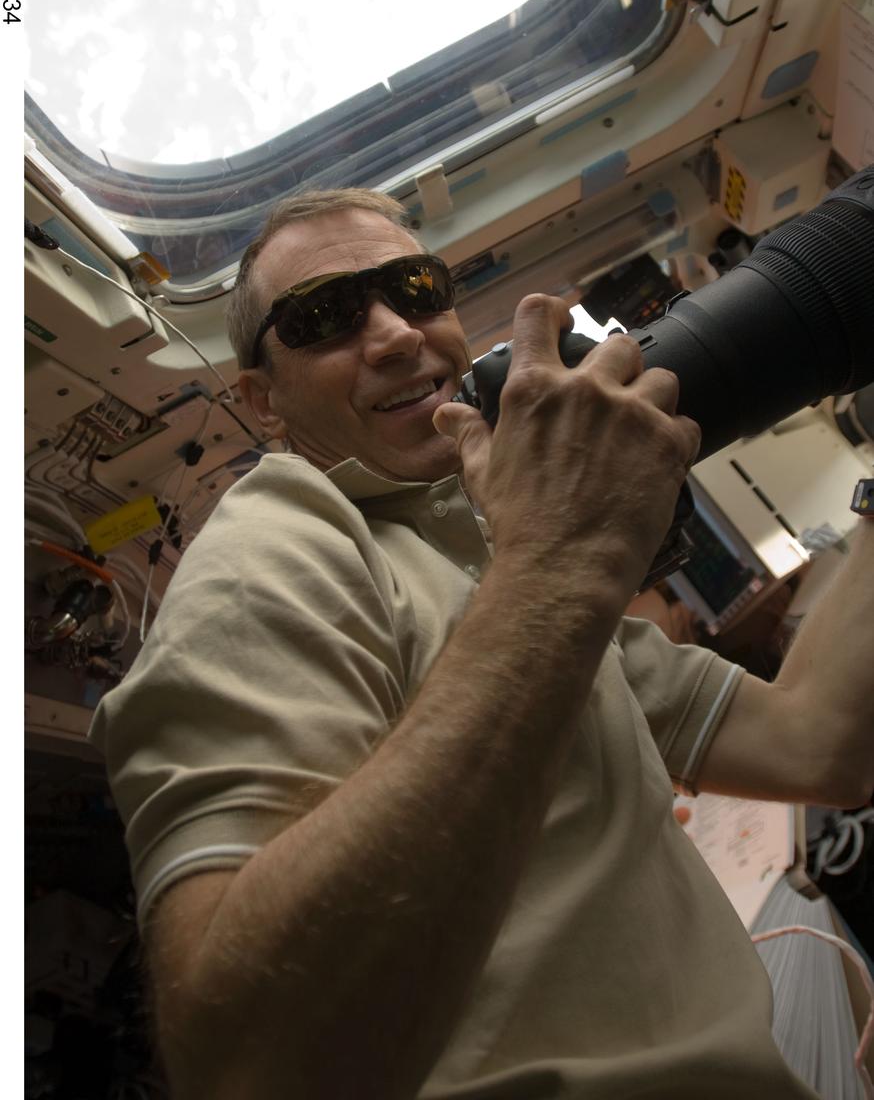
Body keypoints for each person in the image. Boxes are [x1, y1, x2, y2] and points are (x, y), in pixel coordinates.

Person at [89, 188, 873, 1100]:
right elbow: (250, 1062)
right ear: (263, 400)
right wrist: (562, 560)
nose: (392, 334)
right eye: (324, 318)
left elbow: (818, 742)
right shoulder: (276, 547)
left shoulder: (482, 564)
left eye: (416, 289)